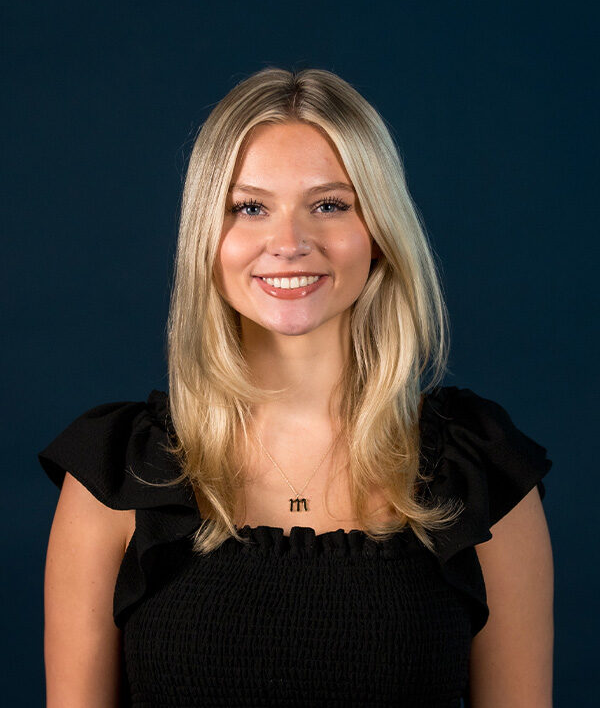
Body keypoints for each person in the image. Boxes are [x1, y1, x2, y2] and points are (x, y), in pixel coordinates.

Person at [39, 67, 554, 707]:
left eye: (330, 205)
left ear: (379, 233)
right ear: (206, 236)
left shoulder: (481, 472)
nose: (288, 243)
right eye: (250, 208)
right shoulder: (117, 473)